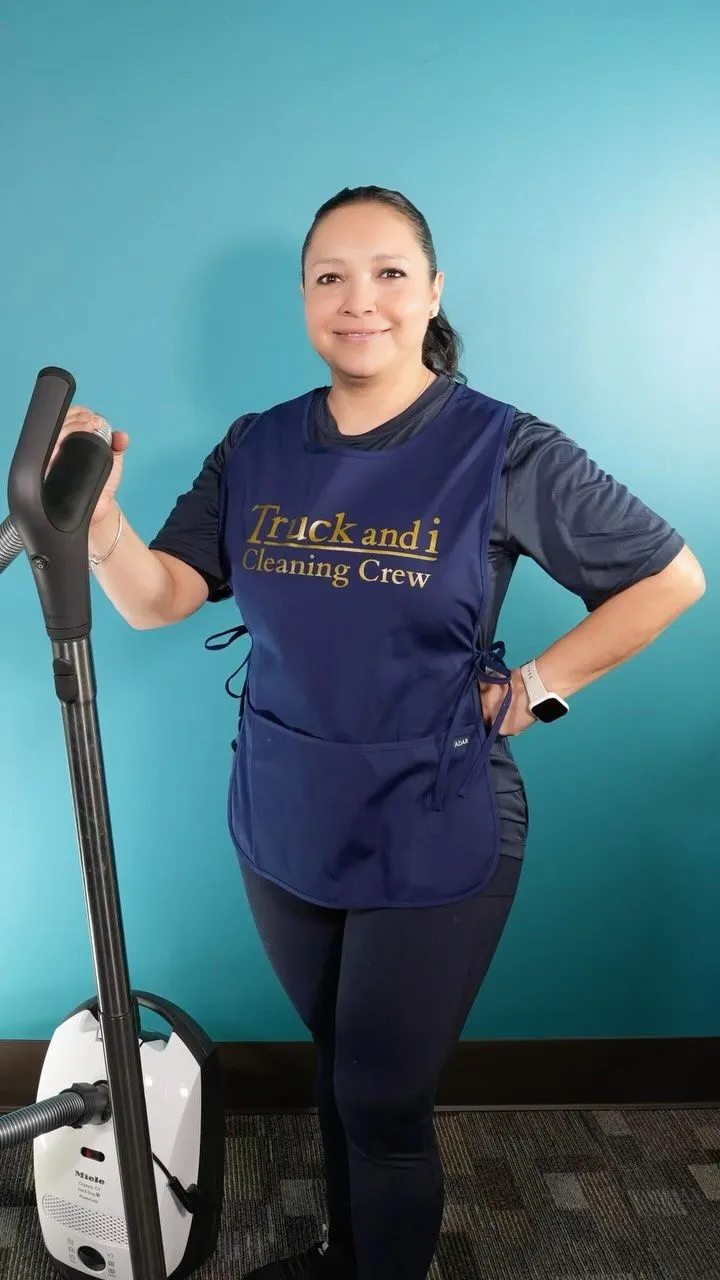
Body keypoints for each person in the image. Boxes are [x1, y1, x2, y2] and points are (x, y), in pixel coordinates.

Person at [59, 185, 705, 1280]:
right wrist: (104, 525)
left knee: (382, 1097)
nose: (360, 299)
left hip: (434, 813)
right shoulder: (257, 445)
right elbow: (160, 596)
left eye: (390, 273)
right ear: (305, 297)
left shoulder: (501, 447)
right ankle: (346, 1252)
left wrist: (537, 688)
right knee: (342, 1061)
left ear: (433, 290)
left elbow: (671, 576)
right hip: (288, 805)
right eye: (331, 276)